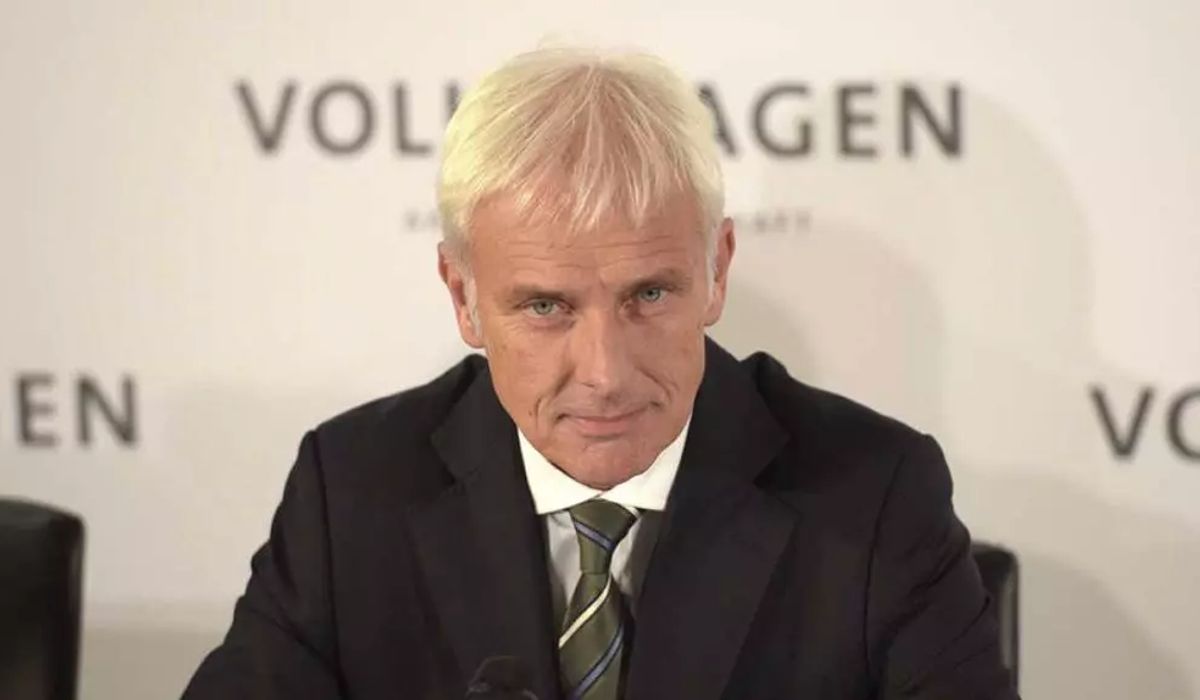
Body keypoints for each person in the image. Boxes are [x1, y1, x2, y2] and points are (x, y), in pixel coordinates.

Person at [183, 46, 1018, 700]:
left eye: (648, 295)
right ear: (462, 297)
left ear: (717, 270)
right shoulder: (352, 492)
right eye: (546, 307)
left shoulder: (876, 494)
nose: (606, 373)